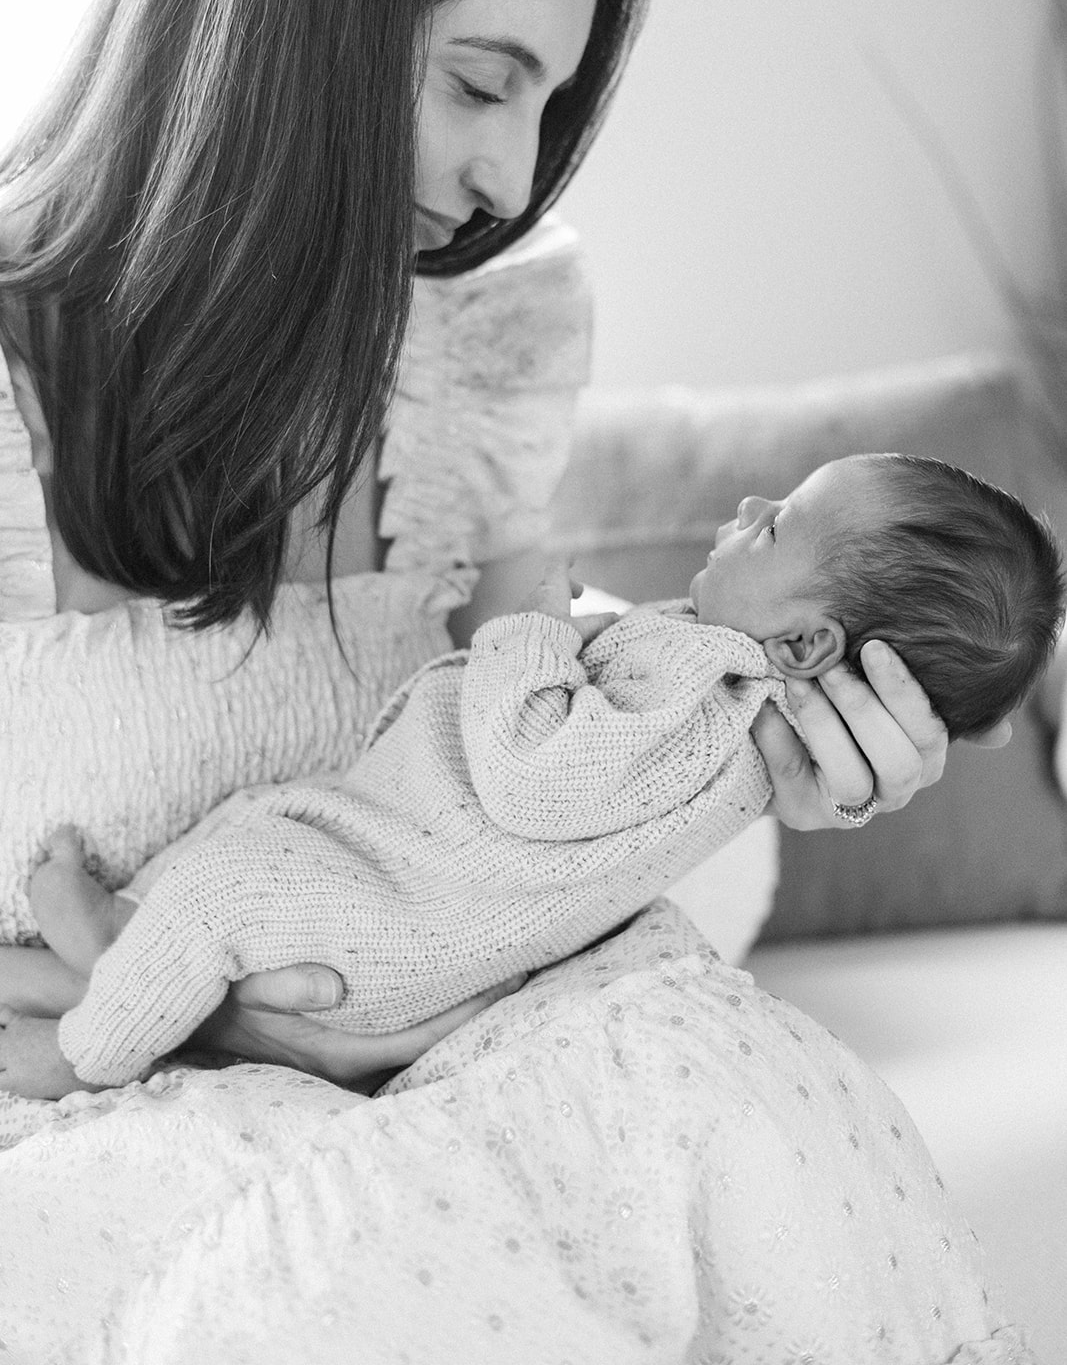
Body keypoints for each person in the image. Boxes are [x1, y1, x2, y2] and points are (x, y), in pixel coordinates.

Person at [0, 0, 963, 1106]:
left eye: (542, 110)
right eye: (478, 82)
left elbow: (526, 799)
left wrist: (765, 767)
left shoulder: (481, 341)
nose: (506, 182)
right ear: (292, 18)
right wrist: (195, 1024)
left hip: (428, 1093)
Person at [1, 451, 1057, 1100]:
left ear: (810, 646)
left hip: (403, 918)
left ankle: (88, 1055)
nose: (743, 505)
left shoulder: (708, 691)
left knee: (229, 891)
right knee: (238, 850)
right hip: (404, 867)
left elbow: (535, 779)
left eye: (773, 522)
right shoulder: (719, 686)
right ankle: (102, 953)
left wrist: (533, 630)